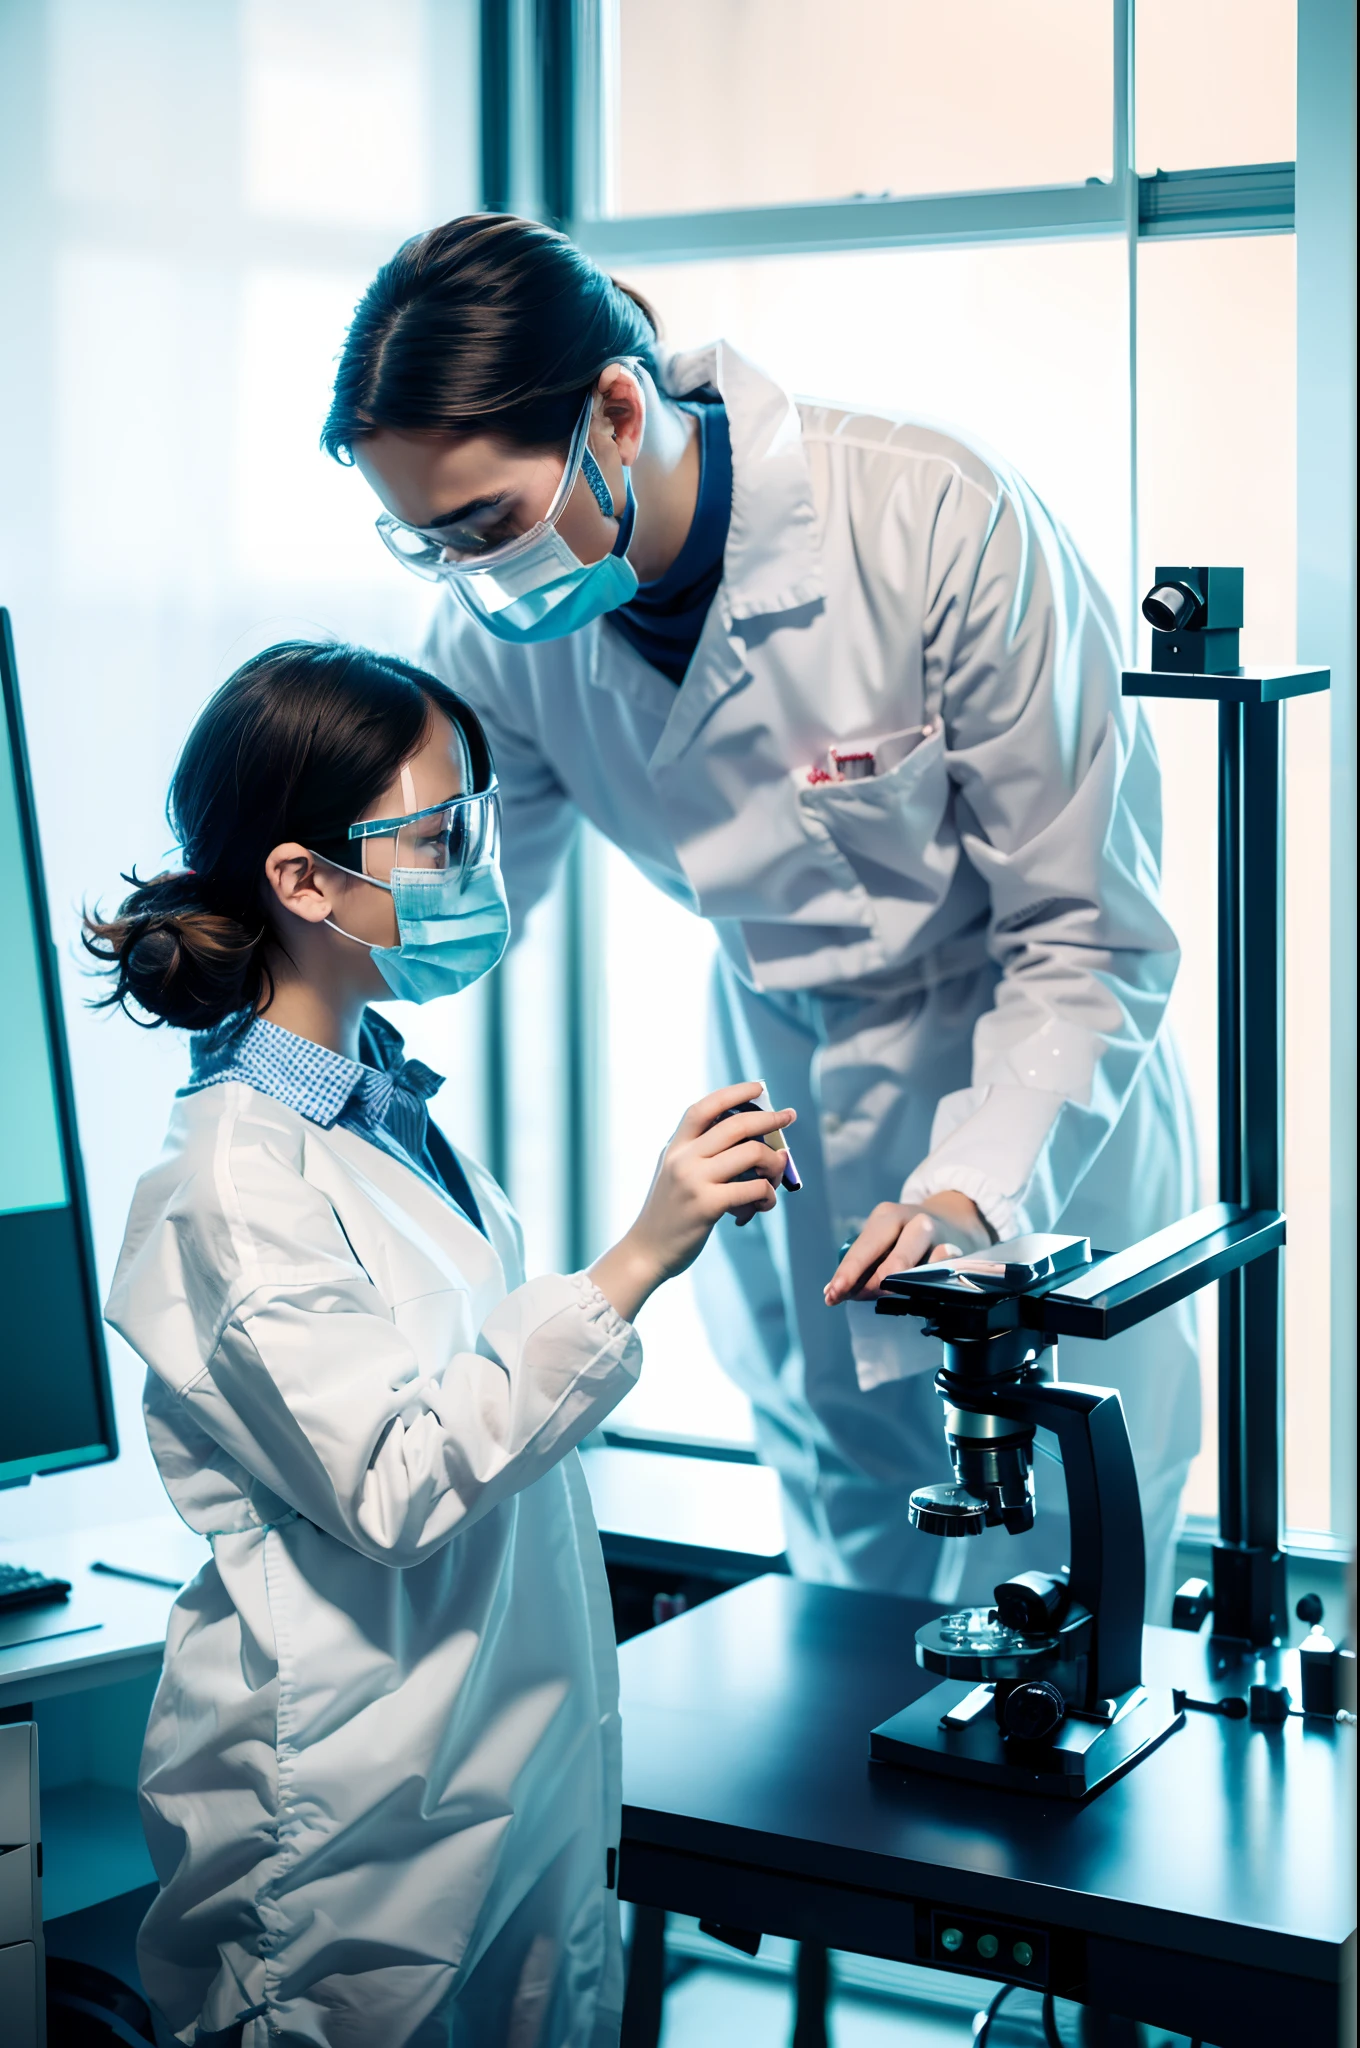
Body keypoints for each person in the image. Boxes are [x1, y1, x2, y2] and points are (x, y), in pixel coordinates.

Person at [322, 214, 1200, 1621]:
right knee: (851, 1593)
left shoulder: (931, 521)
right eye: (427, 547)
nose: (476, 579)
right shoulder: (499, 633)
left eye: (489, 525)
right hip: (788, 1105)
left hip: (1034, 1097)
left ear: (619, 407)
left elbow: (1089, 928)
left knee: (1068, 1591)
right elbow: (453, 909)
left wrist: (968, 1188)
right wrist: (302, 977)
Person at [87, 641, 794, 2048]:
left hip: (495, 1776)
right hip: (350, 1831)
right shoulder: (232, 1184)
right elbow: (397, 1482)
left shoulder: (381, 1116)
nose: (480, 865)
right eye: (442, 833)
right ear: (302, 880)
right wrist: (636, 1259)